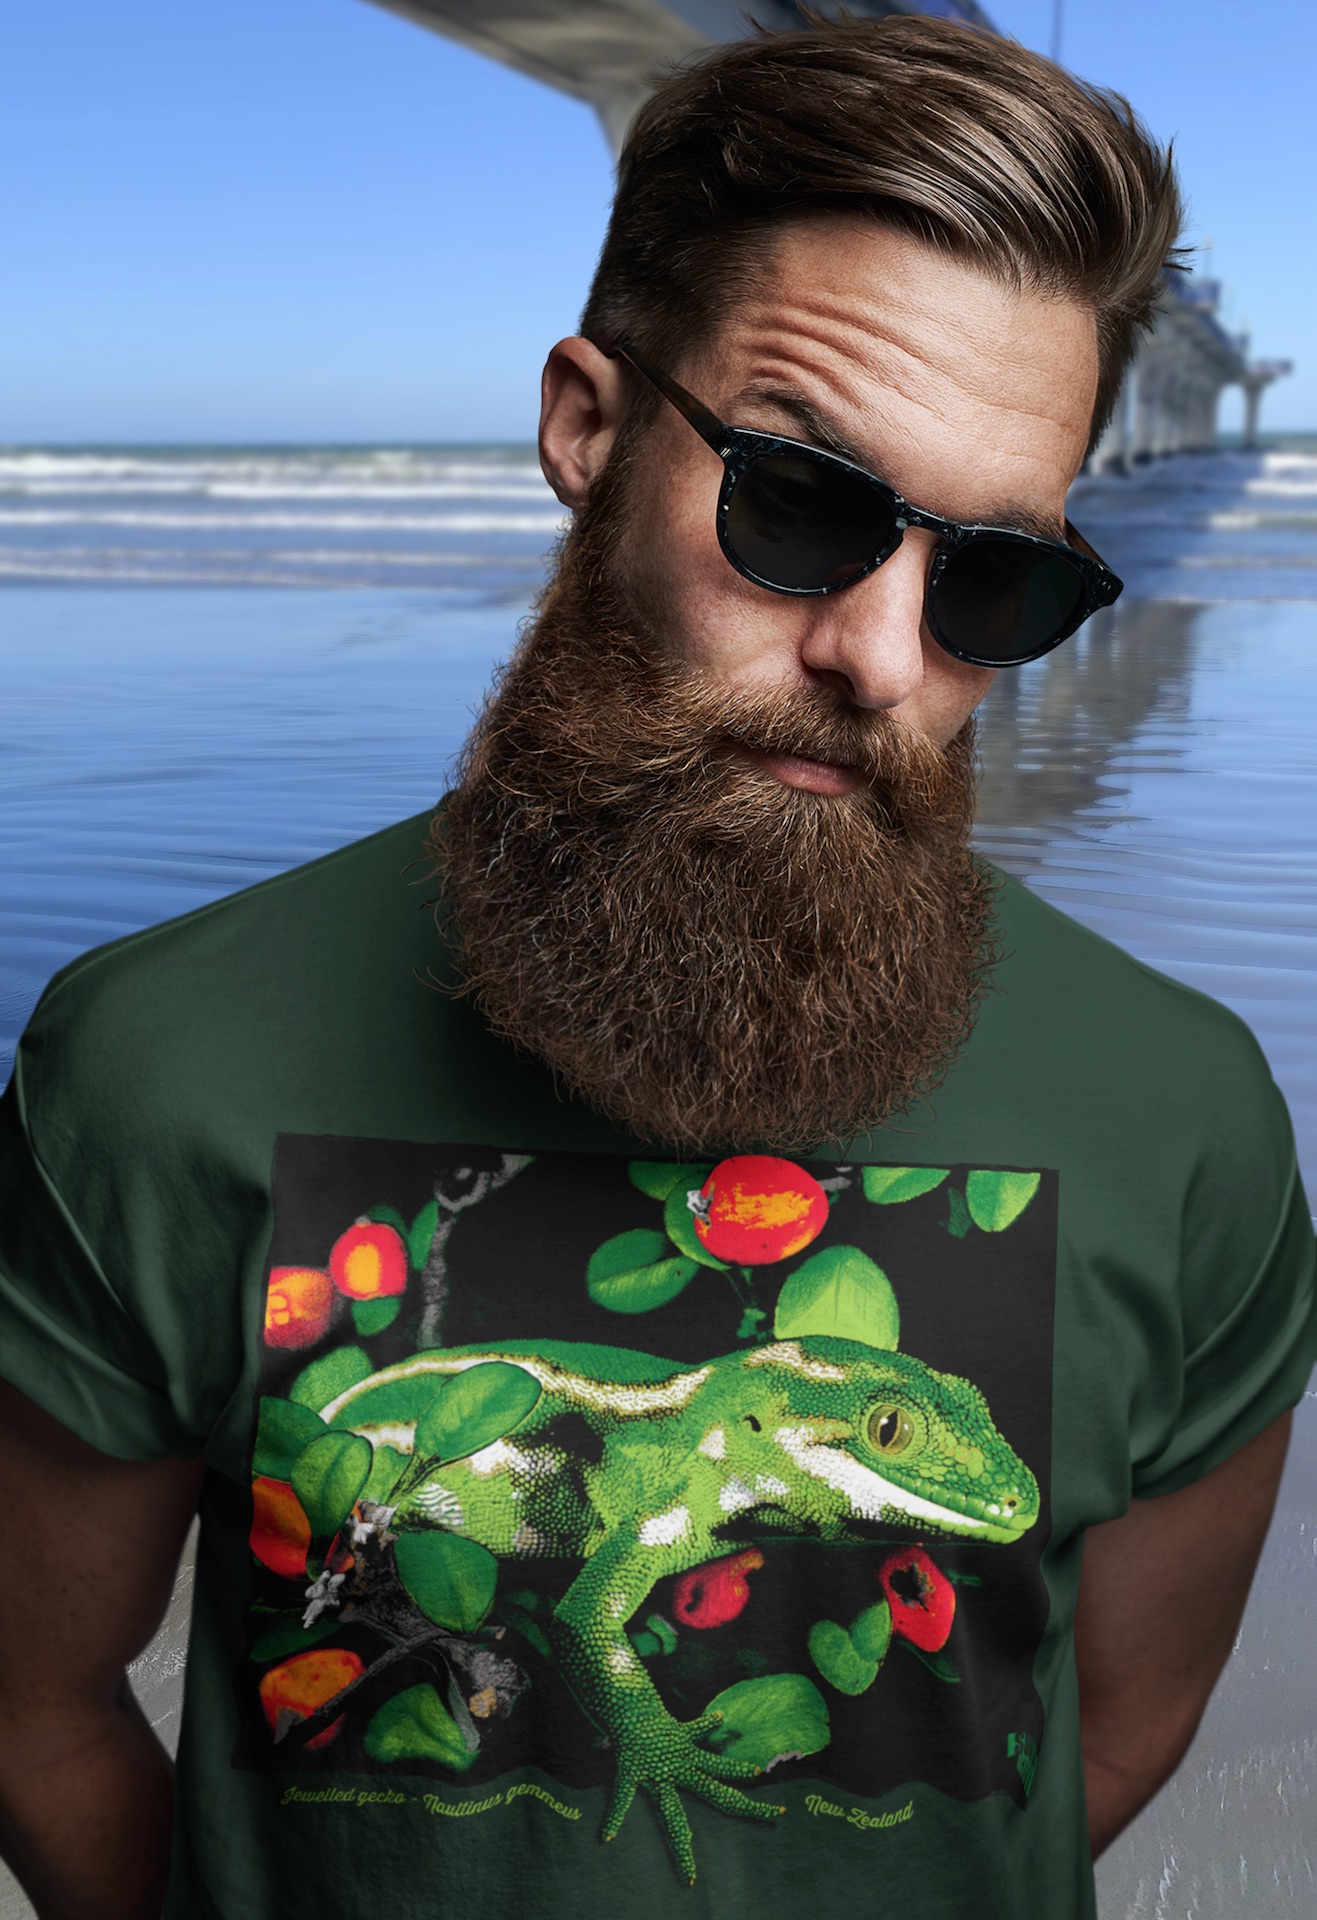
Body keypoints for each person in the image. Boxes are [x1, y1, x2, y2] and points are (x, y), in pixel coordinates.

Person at [0, 16, 1312, 1920]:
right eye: (797, 504)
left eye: (993, 583)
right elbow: (30, 1701)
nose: (881, 655)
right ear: (587, 426)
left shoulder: (1183, 1115)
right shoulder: (156, 1059)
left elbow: (1100, 1740)